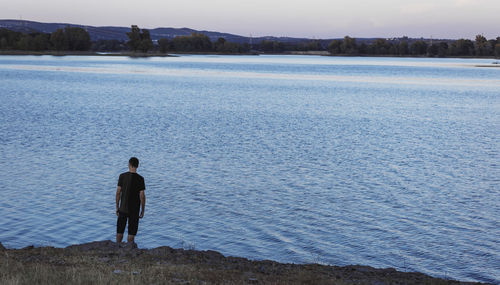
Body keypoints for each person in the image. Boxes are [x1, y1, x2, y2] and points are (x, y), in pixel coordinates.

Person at [115, 157, 146, 244]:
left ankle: (117, 247)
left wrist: (117, 207)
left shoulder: (122, 176)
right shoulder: (140, 179)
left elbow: (118, 193)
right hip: (134, 210)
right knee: (131, 233)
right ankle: (129, 250)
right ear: (137, 166)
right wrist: (142, 210)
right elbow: (142, 196)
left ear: (129, 164)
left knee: (119, 231)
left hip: (123, 208)